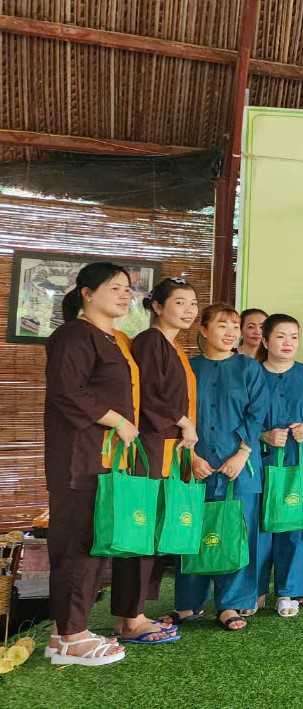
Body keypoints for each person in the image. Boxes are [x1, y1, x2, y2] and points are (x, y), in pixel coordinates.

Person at [44, 264, 146, 665]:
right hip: (78, 458)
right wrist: (119, 420)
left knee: (91, 542)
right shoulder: (74, 335)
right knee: (76, 544)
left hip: (101, 458)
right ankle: (70, 638)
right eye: (115, 288)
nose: (125, 295)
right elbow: (68, 391)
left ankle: (67, 631)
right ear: (87, 293)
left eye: (128, 289)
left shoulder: (111, 339)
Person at [172, 304, 269, 630]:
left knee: (237, 532)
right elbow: (176, 413)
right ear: (203, 329)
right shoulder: (188, 367)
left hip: (239, 466)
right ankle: (188, 603)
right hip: (195, 463)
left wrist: (242, 453)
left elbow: (257, 415)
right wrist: (192, 457)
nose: (230, 333)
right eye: (222, 325)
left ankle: (232, 604)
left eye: (235, 326)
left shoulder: (248, 368)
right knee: (191, 529)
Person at [132, 278, 201, 626]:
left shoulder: (173, 346)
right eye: (180, 303)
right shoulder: (149, 342)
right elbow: (148, 394)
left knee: (160, 528)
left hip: (170, 449)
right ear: (157, 306)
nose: (189, 310)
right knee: (146, 527)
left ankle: (138, 611)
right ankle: (133, 614)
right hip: (152, 445)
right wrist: (183, 421)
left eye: (193, 303)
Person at [255, 314, 303, 617]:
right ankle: (255, 590)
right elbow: (240, 416)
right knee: (260, 527)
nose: (288, 343)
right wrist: (263, 434)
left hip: (301, 462)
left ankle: (290, 592)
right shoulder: (252, 375)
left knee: (297, 527)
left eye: (294, 337)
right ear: (265, 340)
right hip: (261, 462)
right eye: (281, 336)